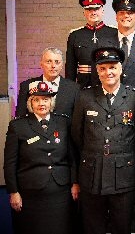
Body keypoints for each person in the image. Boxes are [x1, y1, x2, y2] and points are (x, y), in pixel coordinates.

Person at [71, 47, 135, 234]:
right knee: (93, 227)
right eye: (102, 68)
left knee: (122, 226)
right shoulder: (85, 97)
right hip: (92, 174)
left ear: (120, 69)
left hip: (123, 176)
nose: (108, 72)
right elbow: (77, 136)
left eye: (112, 67)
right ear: (97, 71)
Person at [4, 81, 79, 234]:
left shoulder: (64, 122)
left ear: (51, 101)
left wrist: (75, 182)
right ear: (30, 102)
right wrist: (13, 192)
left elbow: (72, 157)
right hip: (31, 193)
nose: (41, 103)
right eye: (36, 99)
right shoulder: (18, 126)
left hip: (61, 191)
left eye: (45, 99)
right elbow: (10, 163)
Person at [66, 0, 117, 88]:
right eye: (89, 9)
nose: (93, 13)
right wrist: (70, 91)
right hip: (83, 86)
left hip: (108, 85)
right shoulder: (75, 35)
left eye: (96, 9)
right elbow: (70, 68)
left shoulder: (114, 33)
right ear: (84, 13)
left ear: (103, 11)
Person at [16, 47, 80, 118]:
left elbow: (76, 120)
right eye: (49, 61)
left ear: (62, 65)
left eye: (57, 62)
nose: (53, 66)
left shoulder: (74, 88)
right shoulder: (27, 86)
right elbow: (20, 118)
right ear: (41, 64)